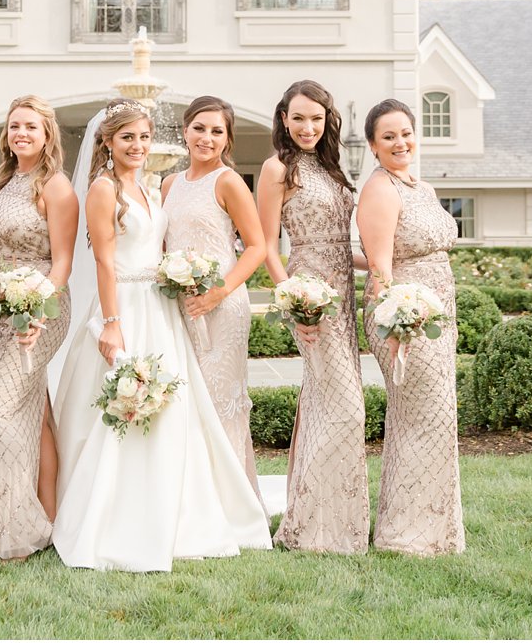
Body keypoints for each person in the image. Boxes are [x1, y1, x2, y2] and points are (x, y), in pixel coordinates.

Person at [51, 99, 272, 572]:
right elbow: (106, 262)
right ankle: (112, 512)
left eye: (144, 136)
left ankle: (176, 505)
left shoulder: (152, 187)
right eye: (127, 137)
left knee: (174, 408)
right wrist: (110, 323)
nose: (137, 145)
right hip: (125, 309)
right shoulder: (104, 188)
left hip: (162, 308)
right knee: (120, 405)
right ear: (107, 141)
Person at [256, 79, 369, 554]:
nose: (307, 127)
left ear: (328, 122)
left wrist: (388, 263)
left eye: (316, 119)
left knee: (330, 405)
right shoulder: (276, 169)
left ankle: (332, 523)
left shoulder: (331, 168)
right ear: (284, 119)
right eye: (298, 117)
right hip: (312, 299)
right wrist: (293, 300)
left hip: (344, 291)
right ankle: (311, 525)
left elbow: (344, 245)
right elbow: (265, 245)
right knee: (345, 406)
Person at [356, 98, 465, 556]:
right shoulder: (380, 189)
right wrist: (398, 320)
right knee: (425, 417)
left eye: (406, 133)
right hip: (404, 318)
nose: (400, 142)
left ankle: (434, 530)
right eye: (389, 137)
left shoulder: (421, 187)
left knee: (437, 419)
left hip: (439, 315)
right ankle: (405, 535)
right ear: (373, 146)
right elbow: (380, 268)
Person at [0, 95, 78, 560]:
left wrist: (36, 311)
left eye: (31, 127)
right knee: (35, 416)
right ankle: (48, 519)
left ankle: (18, 526)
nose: (22, 134)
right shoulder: (5, 182)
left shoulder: (55, 187)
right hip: (3, 311)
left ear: (47, 134)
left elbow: (63, 263)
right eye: (15, 126)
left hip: (40, 310)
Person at [160, 95, 267, 501]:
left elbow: (256, 246)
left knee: (221, 401)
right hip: (182, 306)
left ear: (227, 139)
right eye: (199, 128)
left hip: (223, 306)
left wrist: (218, 293)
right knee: (187, 401)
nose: (206, 138)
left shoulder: (228, 182)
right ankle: (193, 501)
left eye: (217, 131)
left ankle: (233, 501)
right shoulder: (169, 183)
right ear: (185, 131)